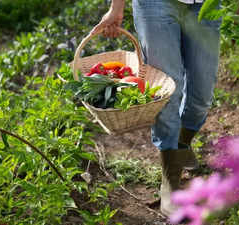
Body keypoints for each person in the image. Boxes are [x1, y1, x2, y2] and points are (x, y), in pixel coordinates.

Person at [92, 0, 221, 216]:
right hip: (155, 5)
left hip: (205, 5)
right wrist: (116, 7)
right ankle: (170, 177)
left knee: (202, 95)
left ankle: (182, 144)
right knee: (168, 90)